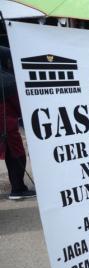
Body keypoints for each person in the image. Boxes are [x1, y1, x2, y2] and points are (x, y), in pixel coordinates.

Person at [0, 47, 36, 200]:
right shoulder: (7, 80)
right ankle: (18, 189)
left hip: (5, 125)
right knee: (17, 155)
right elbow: (19, 105)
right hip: (6, 126)